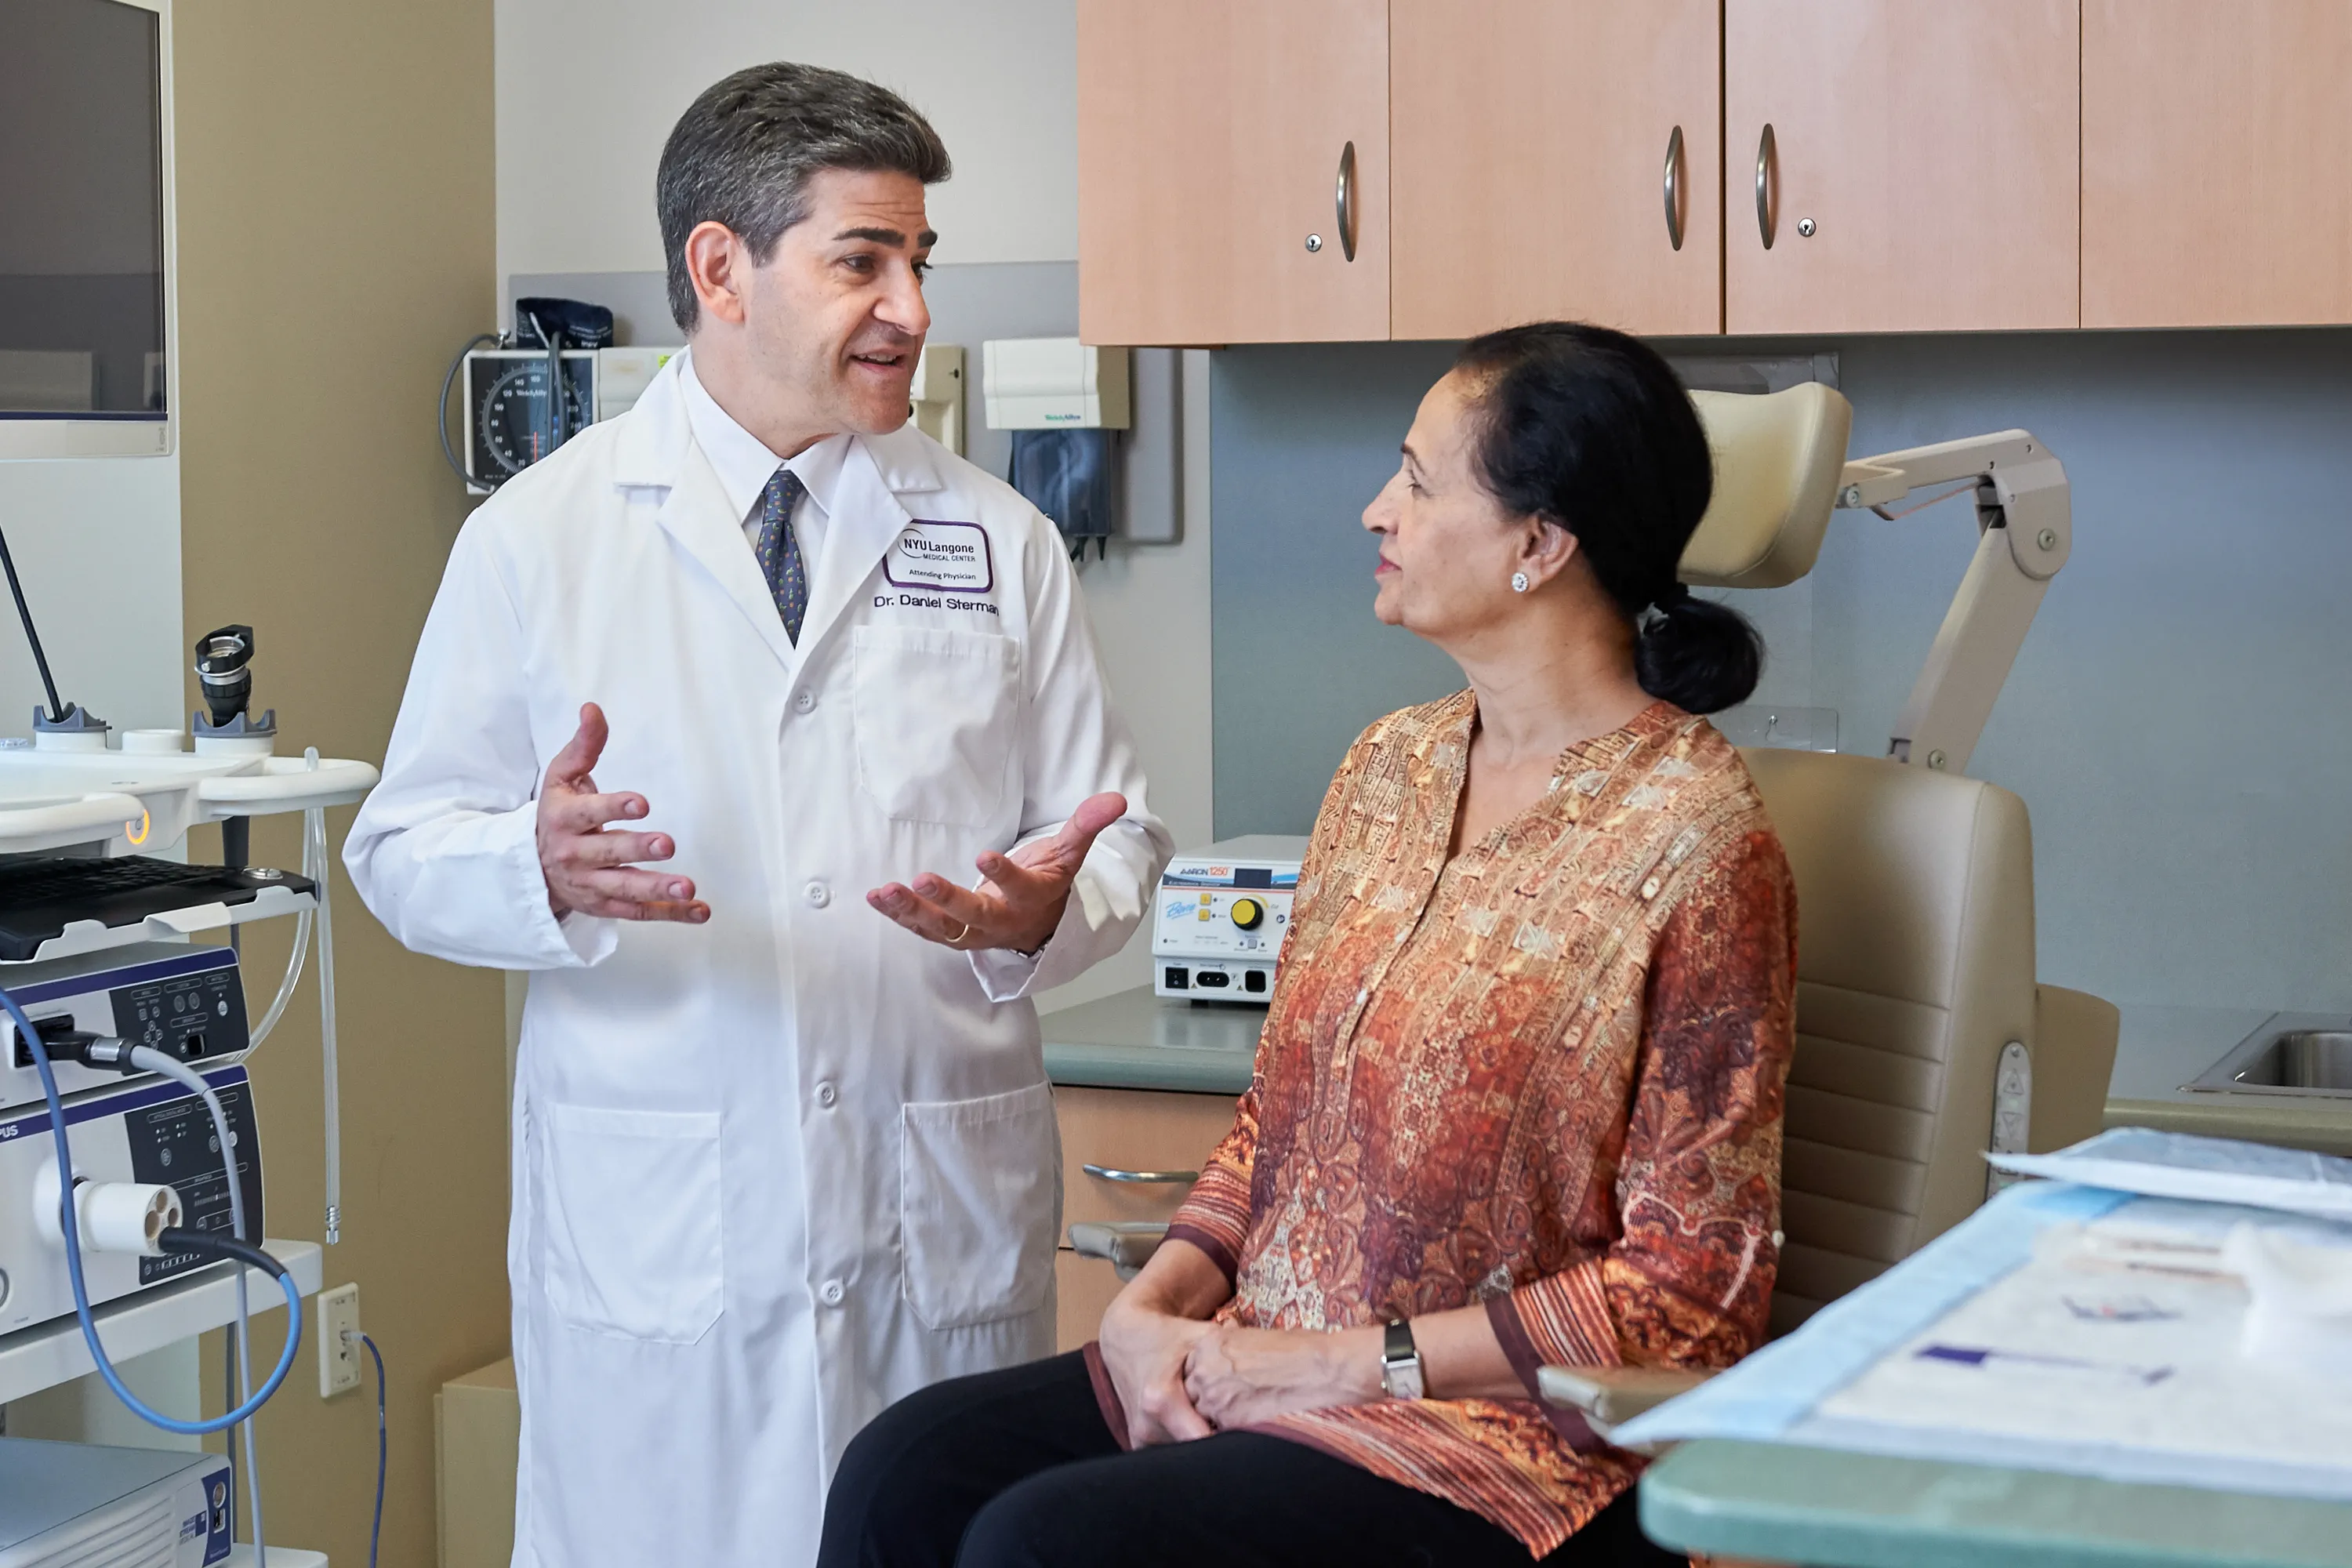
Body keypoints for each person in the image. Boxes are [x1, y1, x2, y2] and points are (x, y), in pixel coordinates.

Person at [345, 63, 1170, 1568]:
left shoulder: (999, 542)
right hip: (666, 1254)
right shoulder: (541, 538)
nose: (913, 307)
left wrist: (1043, 913)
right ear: (720, 268)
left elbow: (1113, 831)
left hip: (938, 1248)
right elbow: (398, 850)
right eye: (864, 261)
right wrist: (533, 865)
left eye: (921, 262)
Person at [819, 321, 1798, 1567]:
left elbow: (1691, 1294)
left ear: (1540, 546)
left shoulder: (1699, 841)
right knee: (902, 1473)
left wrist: (1342, 1368)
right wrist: (1153, 1301)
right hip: (1260, 1353)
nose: (1376, 510)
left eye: (1419, 481)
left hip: (1512, 1442)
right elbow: (1274, 1127)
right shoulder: (1386, 769)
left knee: (1044, 1543)